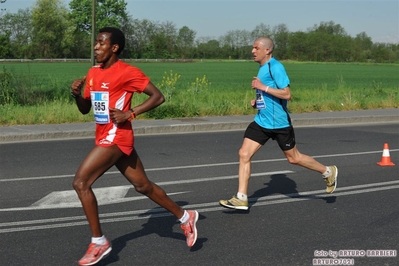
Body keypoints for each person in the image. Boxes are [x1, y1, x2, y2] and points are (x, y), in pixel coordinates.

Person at [70, 27, 198, 266]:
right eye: (96, 43)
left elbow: (157, 96)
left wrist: (130, 112)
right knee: (142, 186)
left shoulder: (127, 72)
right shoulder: (93, 72)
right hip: (103, 136)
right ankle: (185, 216)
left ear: (114, 48)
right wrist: (77, 94)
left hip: (117, 136)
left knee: (80, 182)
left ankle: (99, 242)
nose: (96, 47)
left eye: (101, 43)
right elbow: (85, 109)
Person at [219, 36, 338, 211]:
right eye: (253, 48)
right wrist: (258, 102)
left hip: (279, 124)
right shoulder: (262, 68)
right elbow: (268, 95)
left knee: (294, 158)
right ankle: (241, 198)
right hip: (262, 122)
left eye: (256, 48)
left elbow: (286, 94)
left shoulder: (276, 67)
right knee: (244, 154)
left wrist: (263, 87)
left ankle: (328, 171)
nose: (253, 51)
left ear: (267, 50)